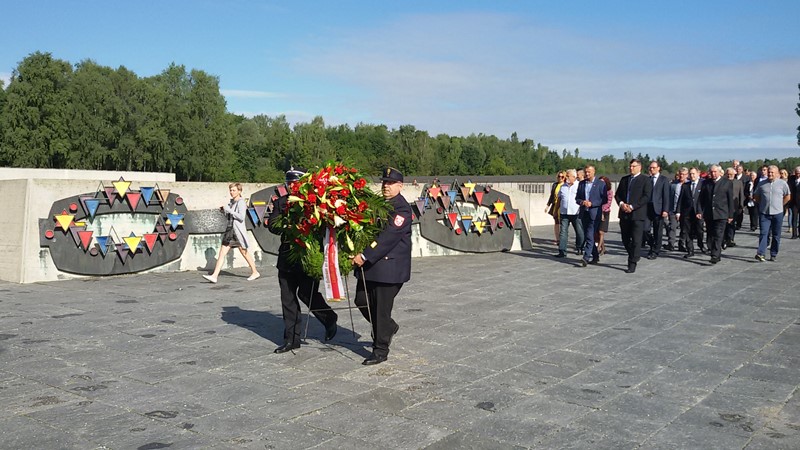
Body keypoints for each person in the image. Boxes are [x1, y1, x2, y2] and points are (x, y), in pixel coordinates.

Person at [268, 167, 338, 353]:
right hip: (287, 257)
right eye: (289, 182)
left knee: (307, 294)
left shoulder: (313, 202)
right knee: (288, 298)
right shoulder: (282, 202)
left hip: (307, 256)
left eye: (295, 182)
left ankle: (328, 317)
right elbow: (273, 225)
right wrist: (290, 226)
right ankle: (292, 338)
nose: (291, 186)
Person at [351, 167, 412, 365]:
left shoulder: (401, 209)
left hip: (388, 268)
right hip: (371, 266)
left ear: (400, 186)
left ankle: (380, 350)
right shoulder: (378, 205)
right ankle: (388, 327)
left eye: (391, 183)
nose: (386, 186)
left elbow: (388, 238)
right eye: (384, 182)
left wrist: (365, 254)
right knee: (361, 300)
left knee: (380, 310)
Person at [203, 183, 260, 283]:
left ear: (239, 191)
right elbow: (231, 217)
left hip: (237, 232)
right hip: (230, 231)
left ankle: (255, 272)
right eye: (230, 190)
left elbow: (241, 217)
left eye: (234, 190)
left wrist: (229, 210)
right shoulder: (232, 203)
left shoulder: (241, 202)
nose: (231, 192)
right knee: (222, 253)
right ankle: (214, 276)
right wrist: (224, 211)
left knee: (244, 252)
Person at [615, 159, 652, 273]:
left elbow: (646, 197)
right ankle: (634, 254)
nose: (631, 168)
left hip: (637, 214)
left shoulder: (645, 180)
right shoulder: (624, 179)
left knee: (636, 240)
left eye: (633, 166)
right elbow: (618, 195)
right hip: (624, 214)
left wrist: (632, 206)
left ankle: (632, 263)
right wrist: (622, 204)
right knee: (625, 239)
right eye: (630, 166)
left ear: (639, 167)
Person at [753, 165, 791, 261]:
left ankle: (773, 253)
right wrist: (762, 204)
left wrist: (780, 204)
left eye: (772, 172)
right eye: (769, 172)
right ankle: (761, 253)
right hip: (764, 213)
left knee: (776, 234)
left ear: (777, 173)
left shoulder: (782, 184)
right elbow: (757, 196)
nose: (770, 174)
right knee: (763, 233)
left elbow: (787, 196)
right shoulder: (762, 184)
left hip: (777, 213)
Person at [697, 165, 733, 264]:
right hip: (709, 214)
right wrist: (699, 211)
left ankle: (715, 255)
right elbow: (701, 199)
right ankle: (714, 250)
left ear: (719, 172)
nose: (713, 174)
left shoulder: (727, 182)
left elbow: (730, 200)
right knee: (710, 234)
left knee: (718, 234)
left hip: (721, 213)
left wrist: (730, 215)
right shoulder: (705, 183)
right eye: (711, 172)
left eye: (715, 172)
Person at [575, 165, 608, 266]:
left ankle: (585, 257)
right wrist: (582, 202)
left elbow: (604, 199)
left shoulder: (600, 184)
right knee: (587, 235)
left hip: (594, 213)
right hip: (584, 212)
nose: (587, 174)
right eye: (586, 172)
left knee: (590, 235)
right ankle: (595, 256)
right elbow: (577, 198)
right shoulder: (581, 184)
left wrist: (592, 203)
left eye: (589, 172)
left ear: (594, 172)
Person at [644, 161, 671, 259]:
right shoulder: (647, 179)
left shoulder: (663, 180)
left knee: (657, 231)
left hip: (658, 208)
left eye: (653, 167)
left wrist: (665, 210)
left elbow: (666, 196)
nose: (651, 169)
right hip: (647, 208)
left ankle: (655, 250)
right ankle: (652, 244)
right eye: (650, 168)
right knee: (645, 229)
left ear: (658, 168)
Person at [554, 169, 584, 258]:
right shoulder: (563, 187)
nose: (566, 177)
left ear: (574, 177)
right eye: (566, 175)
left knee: (579, 232)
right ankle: (562, 251)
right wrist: (556, 210)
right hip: (564, 213)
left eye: (568, 176)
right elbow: (559, 199)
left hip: (576, 213)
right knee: (563, 232)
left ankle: (579, 247)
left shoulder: (579, 186)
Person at [676, 167, 704, 258]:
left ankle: (701, 244)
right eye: (690, 174)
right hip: (687, 213)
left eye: (694, 174)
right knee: (687, 232)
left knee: (699, 231)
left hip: (698, 212)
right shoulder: (685, 185)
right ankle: (690, 250)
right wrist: (678, 212)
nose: (692, 176)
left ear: (698, 174)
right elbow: (680, 200)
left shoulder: (702, 184)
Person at [667, 168, 688, 251]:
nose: (681, 176)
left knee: (684, 228)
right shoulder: (673, 184)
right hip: (673, 209)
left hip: (684, 211)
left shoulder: (688, 185)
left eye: (683, 174)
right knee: (672, 227)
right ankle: (671, 244)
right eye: (680, 174)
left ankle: (681, 244)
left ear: (687, 175)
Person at [724, 167, 744, 248]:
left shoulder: (738, 182)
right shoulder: (723, 182)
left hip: (735, 207)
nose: (729, 176)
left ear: (734, 174)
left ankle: (731, 239)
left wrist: (741, 206)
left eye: (731, 174)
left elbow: (741, 195)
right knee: (725, 223)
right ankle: (725, 238)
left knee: (732, 224)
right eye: (728, 174)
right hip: (725, 206)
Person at [545, 172, 566, 245]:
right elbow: (551, 196)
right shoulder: (555, 185)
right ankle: (558, 239)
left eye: (562, 177)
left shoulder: (566, 185)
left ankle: (563, 239)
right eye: (559, 176)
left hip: (563, 206)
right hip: (555, 205)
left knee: (563, 223)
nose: (560, 178)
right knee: (556, 222)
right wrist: (547, 206)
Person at [597, 176, 613, 255]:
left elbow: (608, 203)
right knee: (597, 232)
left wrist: (602, 212)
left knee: (601, 231)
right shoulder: (597, 190)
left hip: (605, 212)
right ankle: (603, 248)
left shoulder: (609, 191)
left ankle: (598, 248)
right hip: (597, 211)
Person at [789, 166, 800, 239]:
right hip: (794, 203)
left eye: (799, 173)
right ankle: (794, 234)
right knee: (794, 219)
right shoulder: (791, 178)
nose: (797, 175)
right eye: (796, 173)